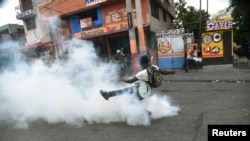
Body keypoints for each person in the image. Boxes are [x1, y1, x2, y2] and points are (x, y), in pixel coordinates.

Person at [100, 54, 175, 101]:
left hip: (142, 93)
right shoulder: (154, 67)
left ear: (142, 63)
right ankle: (108, 95)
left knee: (132, 103)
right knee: (125, 91)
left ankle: (145, 113)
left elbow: (131, 81)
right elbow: (164, 72)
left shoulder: (142, 73)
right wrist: (172, 72)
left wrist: (121, 79)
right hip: (144, 89)